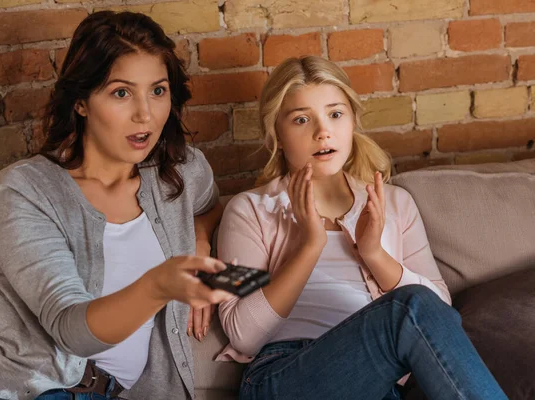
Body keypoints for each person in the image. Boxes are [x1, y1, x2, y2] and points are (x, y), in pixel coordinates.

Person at [0, 11, 233, 400]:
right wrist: (160, 285)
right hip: (7, 386)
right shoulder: (27, 188)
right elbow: (69, 329)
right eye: (121, 92)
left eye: (158, 90)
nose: (145, 113)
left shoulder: (181, 171)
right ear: (81, 102)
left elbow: (210, 206)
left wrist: (199, 239)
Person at [215, 56, 507, 400]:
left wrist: (375, 254)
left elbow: (438, 315)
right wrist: (309, 246)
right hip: (283, 377)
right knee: (408, 308)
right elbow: (242, 335)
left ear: (353, 121)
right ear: (276, 134)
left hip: (377, 385)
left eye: (335, 114)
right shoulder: (249, 210)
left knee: (415, 308)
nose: (322, 131)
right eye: (301, 119)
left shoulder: (394, 204)